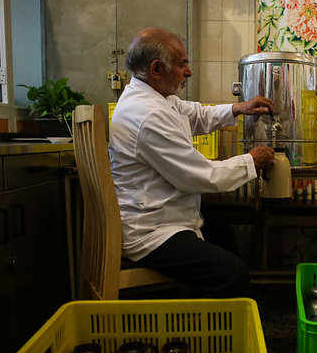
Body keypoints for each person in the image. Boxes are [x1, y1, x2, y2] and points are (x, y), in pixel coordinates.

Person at [108, 27, 275, 298]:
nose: (189, 71)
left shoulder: (156, 98)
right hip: (151, 232)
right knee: (231, 271)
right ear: (156, 69)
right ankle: (206, 333)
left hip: (164, 217)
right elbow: (201, 176)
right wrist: (252, 162)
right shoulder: (146, 114)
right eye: (182, 64)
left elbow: (196, 114)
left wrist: (239, 108)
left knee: (226, 236)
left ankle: (218, 318)